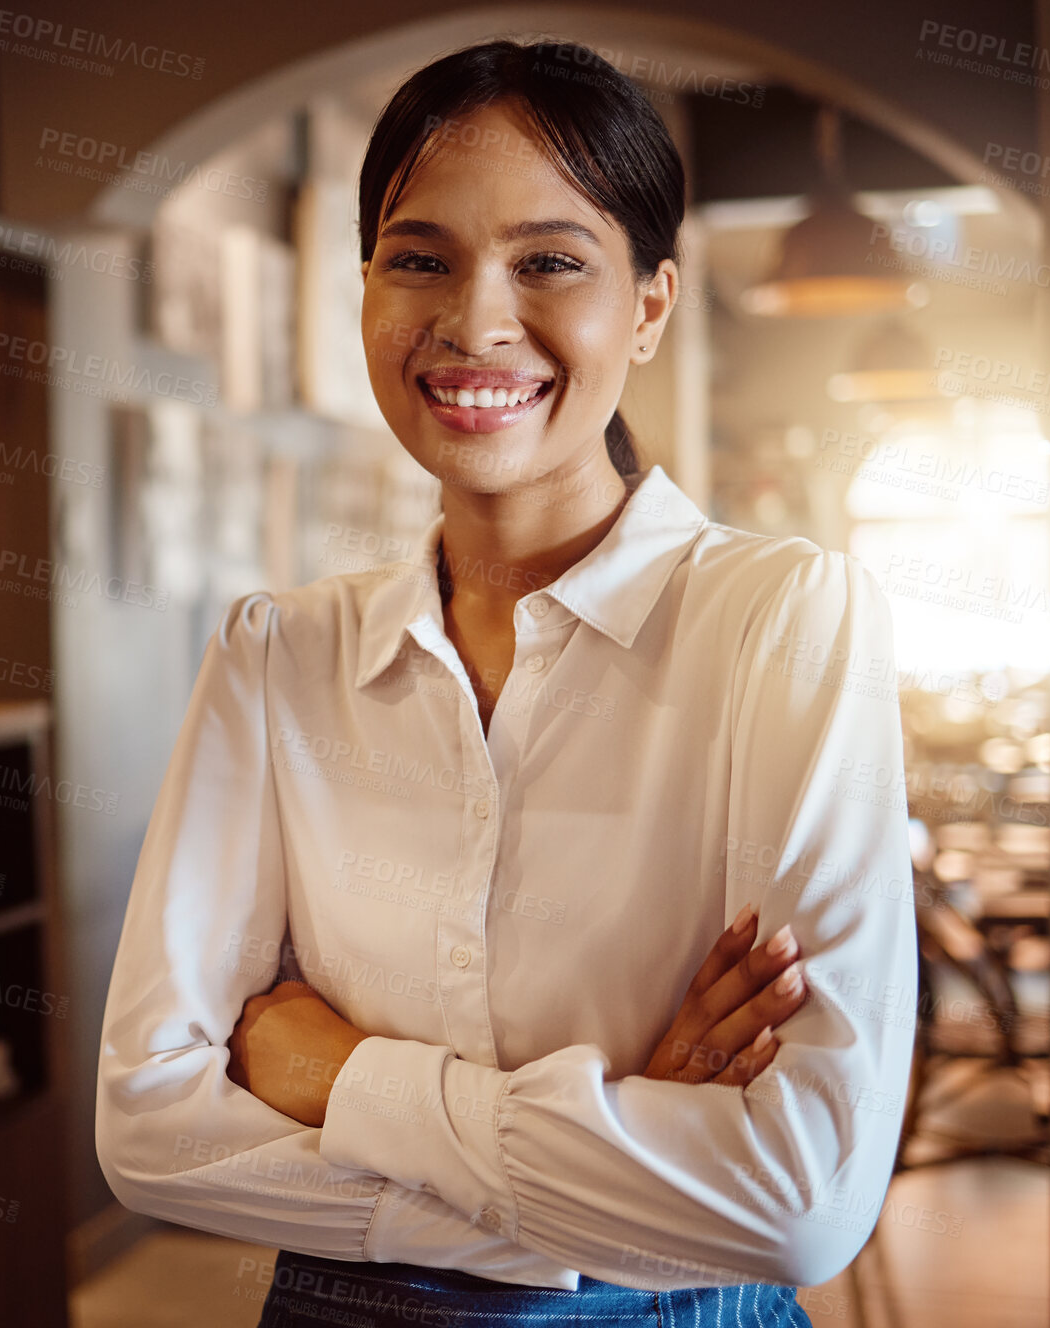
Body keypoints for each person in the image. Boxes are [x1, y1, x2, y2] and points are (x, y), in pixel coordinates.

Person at [95, 38, 915, 1328]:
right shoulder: (278, 656)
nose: (476, 321)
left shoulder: (782, 622)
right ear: (366, 288)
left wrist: (343, 1074)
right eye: (421, 257)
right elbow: (147, 1129)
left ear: (648, 306)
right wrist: (605, 1170)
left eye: (550, 261)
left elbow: (797, 1202)